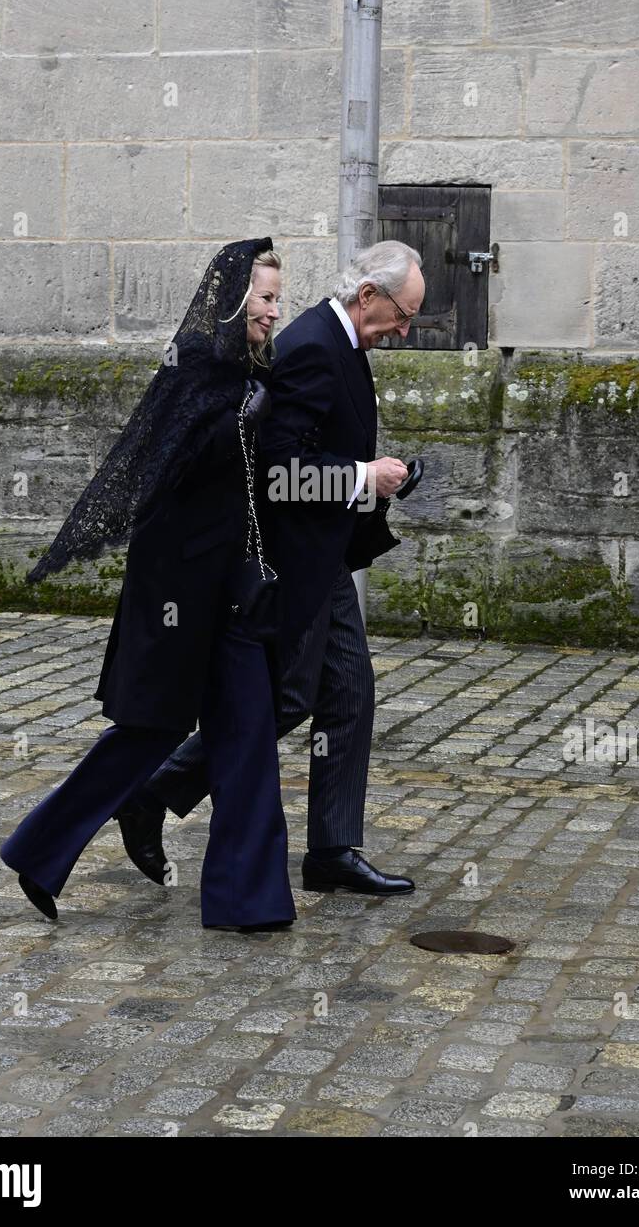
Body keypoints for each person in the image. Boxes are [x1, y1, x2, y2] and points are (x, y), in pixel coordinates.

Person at [0, 238, 296, 932]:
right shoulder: (193, 372)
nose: (275, 313)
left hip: (234, 592)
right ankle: (39, 850)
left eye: (280, 299)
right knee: (146, 733)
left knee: (249, 738)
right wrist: (233, 424)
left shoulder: (259, 373)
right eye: (266, 298)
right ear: (230, 301)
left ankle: (244, 903)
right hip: (177, 593)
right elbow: (154, 478)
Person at [119, 239, 426, 897]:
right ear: (368, 295)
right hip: (292, 563)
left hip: (323, 558)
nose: (405, 329)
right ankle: (151, 790)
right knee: (286, 700)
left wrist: (369, 480)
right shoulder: (316, 346)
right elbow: (282, 476)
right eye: (403, 314)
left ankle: (333, 851)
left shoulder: (343, 343)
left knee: (347, 693)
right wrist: (362, 477)